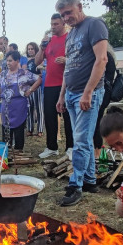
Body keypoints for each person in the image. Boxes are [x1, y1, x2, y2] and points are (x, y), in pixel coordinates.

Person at [54, 0, 108, 207]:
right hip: (71, 93)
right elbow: (69, 67)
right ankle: (90, 181)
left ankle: (75, 186)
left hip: (88, 93)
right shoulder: (71, 34)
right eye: (62, 14)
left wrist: (88, 92)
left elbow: (101, 59)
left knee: (81, 140)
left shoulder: (94, 25)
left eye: (68, 12)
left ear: (79, 6)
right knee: (82, 140)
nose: (66, 17)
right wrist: (61, 95)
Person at [35, 14, 73, 160]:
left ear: (63, 24)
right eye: (51, 24)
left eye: (56, 24)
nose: (53, 26)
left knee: (68, 116)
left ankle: (71, 147)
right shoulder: (48, 40)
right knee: (49, 116)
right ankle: (52, 147)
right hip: (49, 84)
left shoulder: (70, 38)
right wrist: (41, 47)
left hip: (66, 83)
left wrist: (66, 60)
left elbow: (78, 58)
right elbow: (37, 61)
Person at [0, 50, 41, 151]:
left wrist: (30, 90)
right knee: (6, 128)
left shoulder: (24, 73)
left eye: (10, 61)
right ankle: (6, 150)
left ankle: (19, 150)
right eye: (7, 61)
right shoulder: (3, 74)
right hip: (6, 107)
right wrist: (0, 92)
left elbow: (39, 79)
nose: (8, 63)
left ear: (17, 61)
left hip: (20, 107)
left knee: (19, 129)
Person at [93, 50, 118, 156]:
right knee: (96, 123)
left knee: (95, 123)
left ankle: (97, 151)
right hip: (104, 93)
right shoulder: (109, 56)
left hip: (101, 93)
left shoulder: (103, 56)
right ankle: (97, 150)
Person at [25, 42, 44, 138]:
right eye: (29, 49)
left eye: (32, 48)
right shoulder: (27, 62)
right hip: (29, 87)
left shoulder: (39, 60)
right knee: (29, 108)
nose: (30, 50)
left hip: (38, 87)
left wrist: (34, 77)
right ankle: (29, 129)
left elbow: (42, 73)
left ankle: (40, 130)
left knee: (39, 108)